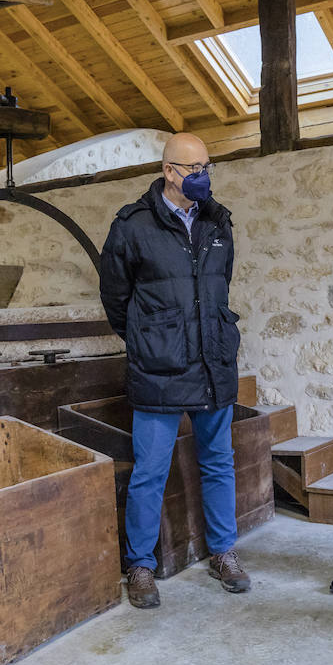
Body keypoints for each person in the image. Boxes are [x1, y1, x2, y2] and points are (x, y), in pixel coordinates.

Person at [98, 133, 248, 610]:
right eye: (192, 168)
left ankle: (224, 553)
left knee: (219, 463)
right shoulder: (132, 226)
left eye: (207, 165)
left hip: (212, 361)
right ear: (167, 171)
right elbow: (116, 301)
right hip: (159, 367)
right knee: (150, 472)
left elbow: (219, 287)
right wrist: (149, 340)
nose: (202, 175)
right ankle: (140, 565)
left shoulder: (219, 221)